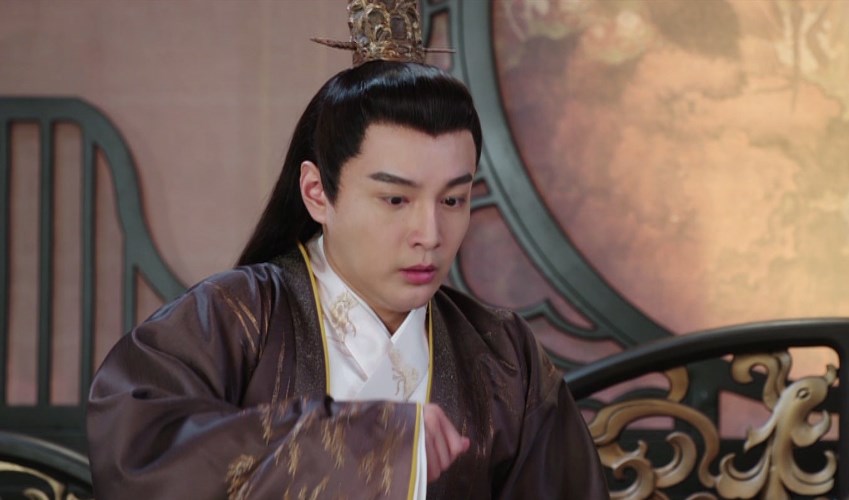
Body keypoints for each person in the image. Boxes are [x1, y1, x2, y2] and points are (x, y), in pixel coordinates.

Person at [86, 1, 609, 498]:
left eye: (453, 199)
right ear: (317, 192)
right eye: (395, 199)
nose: (430, 232)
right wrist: (372, 444)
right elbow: (141, 451)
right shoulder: (236, 319)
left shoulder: (505, 357)